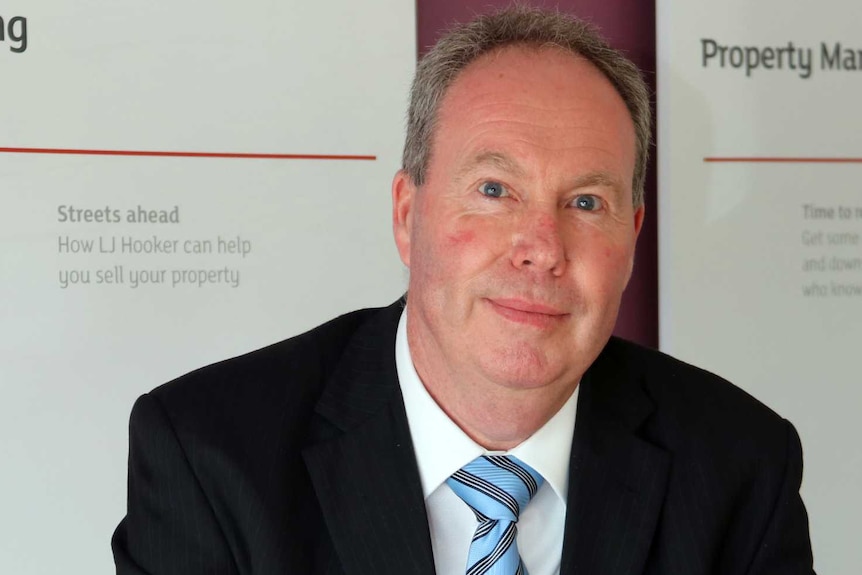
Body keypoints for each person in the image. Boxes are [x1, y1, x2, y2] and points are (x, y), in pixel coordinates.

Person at [112, 6, 814, 575]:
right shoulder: (210, 457)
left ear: (631, 235)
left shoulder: (740, 468)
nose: (541, 247)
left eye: (587, 202)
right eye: (494, 190)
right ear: (407, 214)